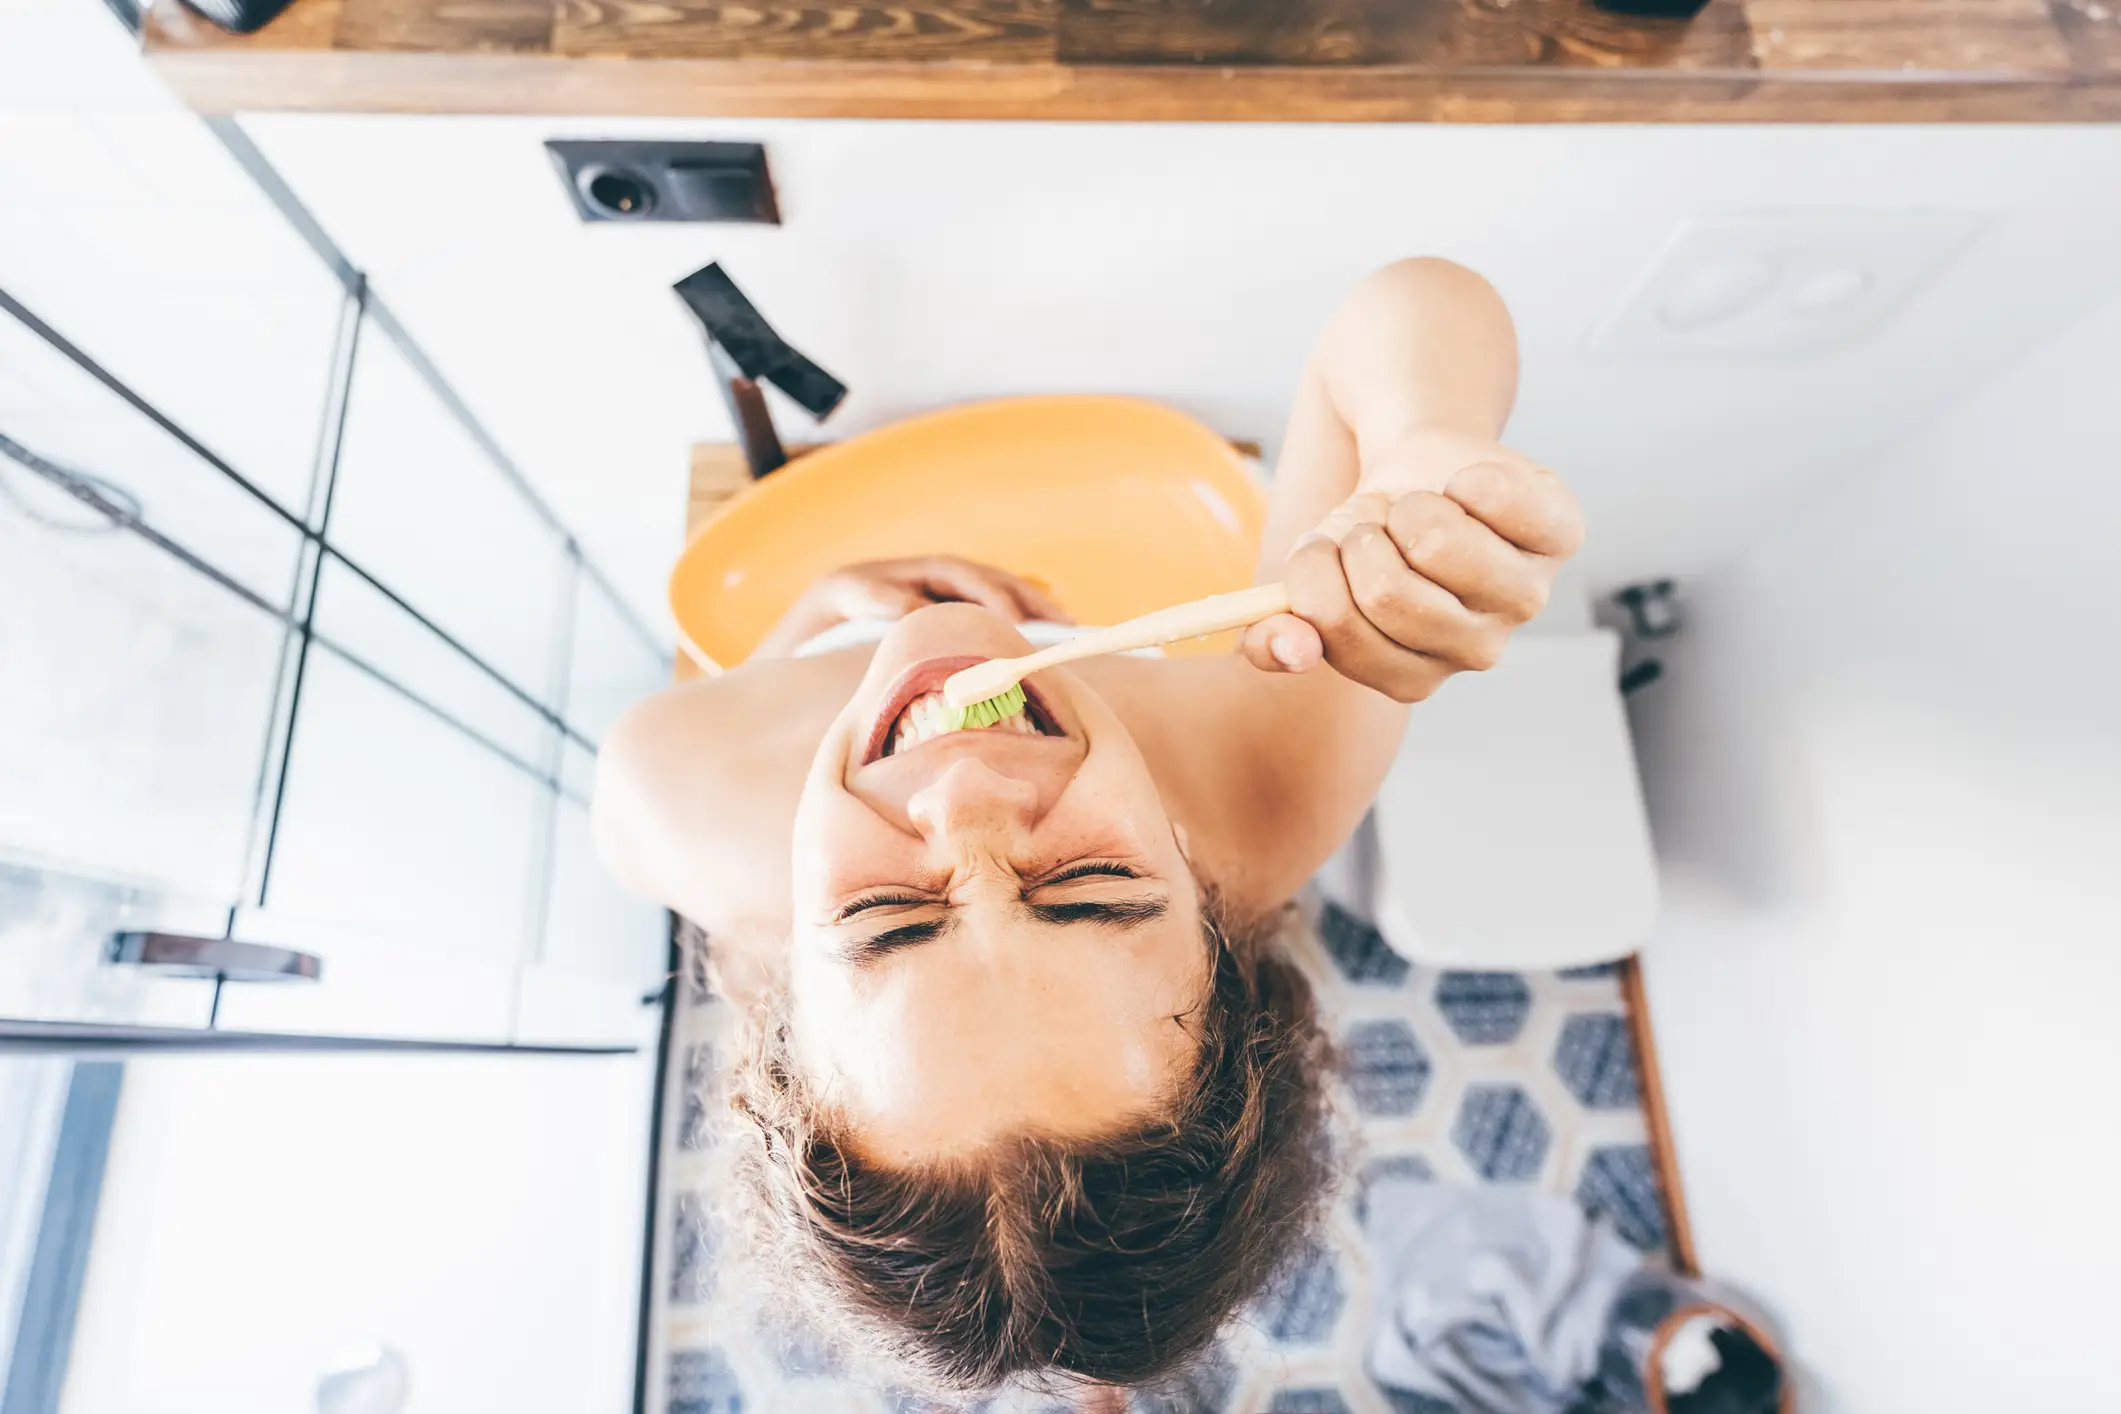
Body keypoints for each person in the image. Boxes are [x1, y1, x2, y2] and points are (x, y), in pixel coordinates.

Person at [594, 258, 1585, 1400]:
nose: (963, 798)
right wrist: (1422, 453)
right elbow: (1409, 307)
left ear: (777, 1018)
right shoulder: (1267, 785)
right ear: (1216, 917)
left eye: (884, 914)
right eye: (1089, 889)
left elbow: (723, 702)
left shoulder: (670, 780)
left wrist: (821, 611)